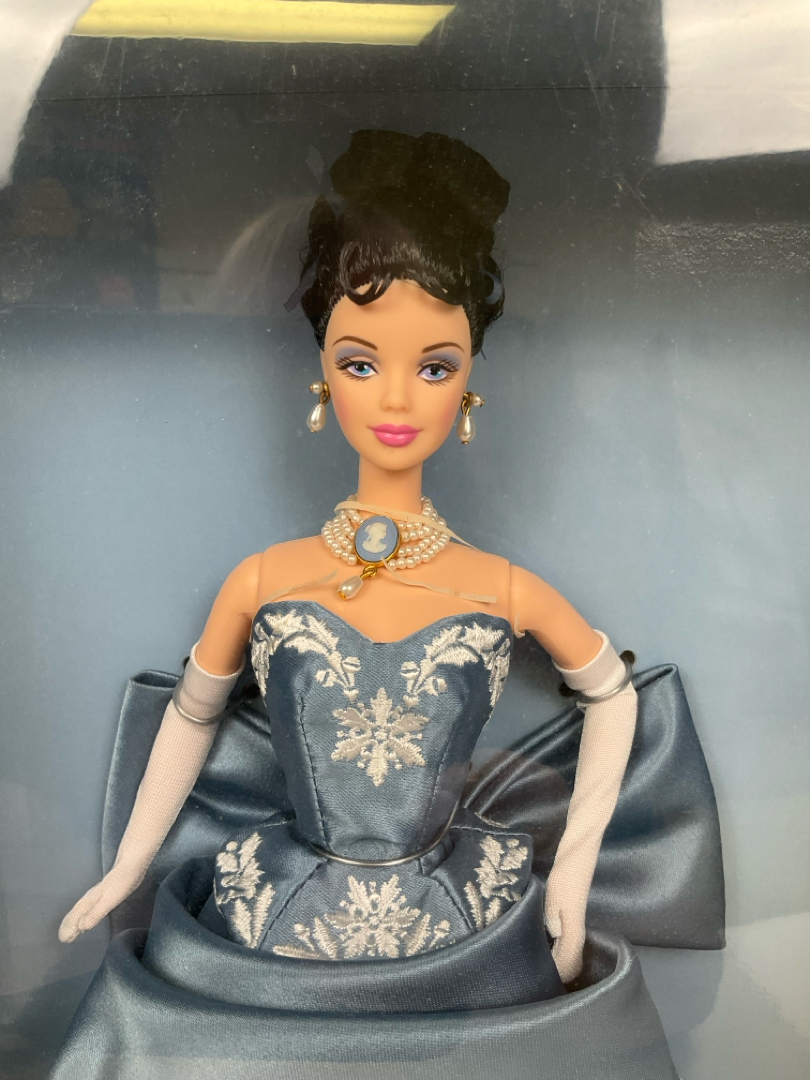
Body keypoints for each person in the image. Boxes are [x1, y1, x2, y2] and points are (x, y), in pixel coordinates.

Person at [51, 131, 723, 1080]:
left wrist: (573, 868)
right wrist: (127, 868)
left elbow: (613, 695)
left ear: (470, 381)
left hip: (460, 924)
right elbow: (193, 715)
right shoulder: (263, 580)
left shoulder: (501, 587)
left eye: (435, 366)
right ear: (323, 373)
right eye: (361, 363)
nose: (397, 399)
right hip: (280, 914)